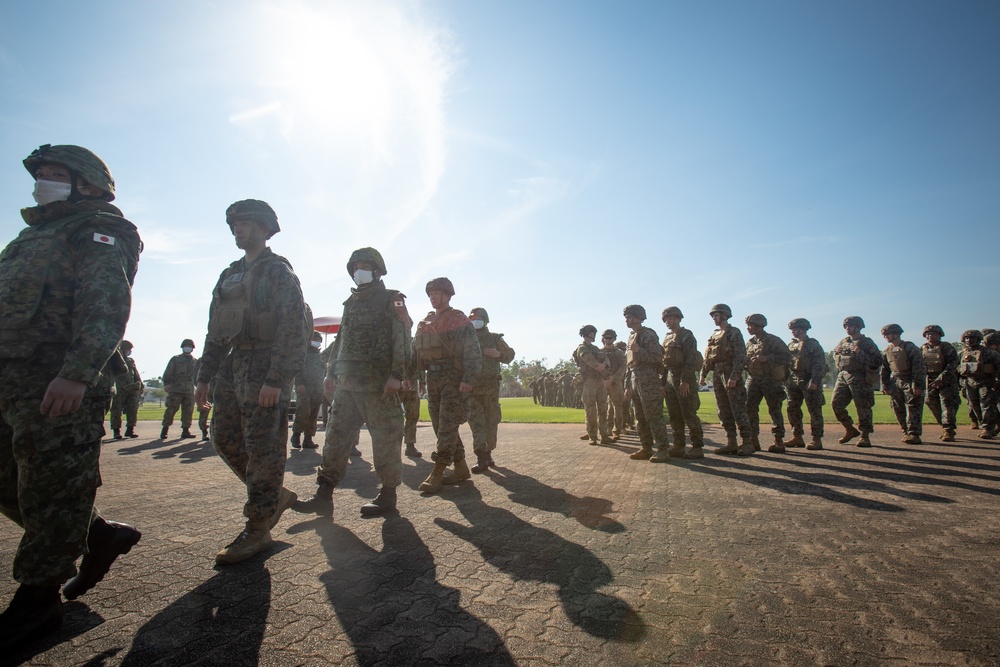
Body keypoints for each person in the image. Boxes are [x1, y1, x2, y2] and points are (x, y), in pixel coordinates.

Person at [0, 144, 142, 650]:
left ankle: (38, 602)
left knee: (53, 485)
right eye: (42, 175)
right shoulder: (29, 237)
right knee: (10, 482)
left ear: (86, 183)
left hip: (57, 379)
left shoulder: (97, 229)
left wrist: (78, 372)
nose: (44, 182)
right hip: (10, 377)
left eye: (56, 175)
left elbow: (106, 303)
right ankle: (97, 534)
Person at [194, 199, 308, 565]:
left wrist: (277, 377)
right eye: (234, 225)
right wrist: (205, 376)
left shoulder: (278, 271)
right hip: (233, 364)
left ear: (263, 228)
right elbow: (216, 328)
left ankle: (258, 527)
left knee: (263, 449)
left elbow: (294, 326)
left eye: (245, 224)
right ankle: (274, 496)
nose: (238, 230)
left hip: (265, 365)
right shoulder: (229, 274)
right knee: (224, 438)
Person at [297, 248, 411, 517]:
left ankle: (388, 495)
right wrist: (329, 373)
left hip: (378, 386)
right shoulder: (350, 302)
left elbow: (403, 337)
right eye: (355, 266)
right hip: (347, 386)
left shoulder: (392, 299)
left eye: (364, 265)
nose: (358, 270)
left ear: (378, 270)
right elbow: (341, 340)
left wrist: (397, 375)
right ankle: (323, 495)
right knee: (336, 439)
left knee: (385, 440)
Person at [412, 277, 482, 493]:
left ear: (448, 295)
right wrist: (417, 378)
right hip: (432, 379)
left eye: (437, 293)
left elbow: (473, 350)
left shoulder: (458, 318)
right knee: (439, 426)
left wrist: (468, 379)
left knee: (446, 426)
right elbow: (417, 352)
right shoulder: (427, 321)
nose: (433, 296)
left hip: (453, 377)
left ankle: (439, 470)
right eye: (430, 293)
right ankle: (460, 467)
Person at [700, 304, 752, 455]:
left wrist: (734, 376)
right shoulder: (714, 335)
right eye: (713, 316)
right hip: (717, 373)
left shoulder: (734, 333)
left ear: (724, 316)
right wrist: (703, 374)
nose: (714, 319)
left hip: (730, 372)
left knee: (738, 408)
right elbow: (708, 358)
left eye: (716, 315)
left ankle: (747, 442)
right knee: (722, 409)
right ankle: (732, 441)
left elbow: (740, 356)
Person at [467, 307, 515, 472]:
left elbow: (510, 354)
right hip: (472, 389)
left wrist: (499, 355)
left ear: (485, 320)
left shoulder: (495, 339)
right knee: (476, 422)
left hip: (490, 389)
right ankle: (480, 457)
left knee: (491, 421)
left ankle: (488, 452)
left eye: (478, 318)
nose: (475, 321)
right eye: (472, 318)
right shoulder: (466, 339)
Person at [622, 305, 671, 460]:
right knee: (640, 416)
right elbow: (628, 364)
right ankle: (646, 447)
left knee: (653, 415)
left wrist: (639, 351)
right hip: (634, 378)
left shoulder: (648, 335)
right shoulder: (631, 337)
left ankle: (663, 449)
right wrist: (627, 384)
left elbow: (657, 357)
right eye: (626, 317)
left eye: (629, 317)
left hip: (648, 379)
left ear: (638, 317)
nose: (627, 320)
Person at [660, 307, 705, 459]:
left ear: (678, 319)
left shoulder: (687, 335)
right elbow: (664, 363)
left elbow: (691, 359)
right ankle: (679, 445)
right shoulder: (666, 338)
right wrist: (662, 383)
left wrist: (685, 380)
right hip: (670, 379)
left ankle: (697, 446)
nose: (668, 321)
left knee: (689, 413)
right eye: (666, 319)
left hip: (684, 378)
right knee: (674, 415)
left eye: (671, 318)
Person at [744, 314, 792, 453]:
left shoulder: (773, 341)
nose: (748, 328)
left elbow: (787, 357)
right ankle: (753, 440)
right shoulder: (750, 342)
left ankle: (778, 440)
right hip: (753, 379)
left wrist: (767, 358)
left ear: (758, 325)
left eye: (750, 325)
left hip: (770, 379)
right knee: (750, 409)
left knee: (775, 409)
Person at [831, 316, 882, 448]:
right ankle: (849, 429)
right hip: (843, 375)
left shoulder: (867, 343)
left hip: (860, 377)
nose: (848, 328)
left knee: (863, 407)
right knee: (836, 404)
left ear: (858, 327)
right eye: (846, 326)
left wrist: (859, 352)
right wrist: (835, 353)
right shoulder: (844, 341)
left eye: (850, 326)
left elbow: (877, 361)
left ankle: (865, 436)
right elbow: (837, 355)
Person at [880, 324, 927, 444]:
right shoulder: (887, 350)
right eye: (884, 335)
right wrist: (885, 385)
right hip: (895, 380)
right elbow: (885, 369)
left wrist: (917, 384)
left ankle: (914, 433)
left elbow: (919, 366)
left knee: (913, 407)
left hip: (910, 379)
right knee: (897, 408)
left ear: (896, 334)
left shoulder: (909, 347)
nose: (886, 336)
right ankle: (905, 431)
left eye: (888, 334)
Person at [784, 318, 826, 450]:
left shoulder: (813, 345)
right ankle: (797, 436)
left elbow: (819, 364)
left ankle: (816, 439)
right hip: (793, 381)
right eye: (791, 330)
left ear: (803, 329)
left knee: (814, 410)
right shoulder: (791, 345)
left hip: (808, 380)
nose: (792, 332)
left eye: (795, 329)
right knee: (792, 409)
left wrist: (815, 381)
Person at [573, 325, 613, 447]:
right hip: (589, 381)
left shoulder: (595, 348)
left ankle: (604, 435)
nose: (594, 335)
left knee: (603, 409)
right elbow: (591, 361)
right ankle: (592, 436)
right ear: (588, 333)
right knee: (590, 410)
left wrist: (604, 367)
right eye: (592, 332)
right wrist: (602, 367)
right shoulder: (582, 348)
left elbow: (606, 359)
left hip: (599, 381)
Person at [957, 329, 1000, 439]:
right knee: (974, 406)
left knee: (987, 406)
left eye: (972, 338)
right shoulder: (962, 354)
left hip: (986, 383)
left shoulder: (989, 353)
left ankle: (988, 429)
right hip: (970, 383)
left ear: (979, 339)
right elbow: (956, 368)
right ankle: (989, 425)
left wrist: (997, 382)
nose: (969, 340)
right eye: (967, 338)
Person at [921, 325, 960, 442]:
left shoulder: (946, 347)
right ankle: (944, 425)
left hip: (946, 381)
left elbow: (953, 363)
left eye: (933, 334)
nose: (930, 336)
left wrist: (941, 378)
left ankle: (948, 430)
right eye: (927, 334)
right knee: (930, 402)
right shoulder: (922, 348)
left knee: (947, 405)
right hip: (930, 380)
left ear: (939, 335)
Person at [291, 331, 326, 450]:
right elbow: (298, 368)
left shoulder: (320, 355)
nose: (317, 341)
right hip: (305, 387)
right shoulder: (303, 353)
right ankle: (296, 435)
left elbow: (323, 371)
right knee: (303, 412)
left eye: (319, 339)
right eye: (315, 338)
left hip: (318, 387)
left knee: (313, 414)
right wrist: (299, 383)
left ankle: (308, 439)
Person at [160, 339, 198, 440]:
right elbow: (168, 372)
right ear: (182, 347)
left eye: (190, 346)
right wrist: (167, 384)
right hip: (176, 390)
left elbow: (198, 377)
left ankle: (186, 431)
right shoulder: (175, 359)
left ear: (193, 348)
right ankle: (164, 430)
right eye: (186, 345)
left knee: (188, 412)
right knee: (171, 410)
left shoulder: (195, 361)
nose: (188, 347)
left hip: (189, 391)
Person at [109, 340, 143, 440]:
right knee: (116, 410)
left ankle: (130, 429)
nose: (129, 351)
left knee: (133, 409)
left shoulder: (130, 361)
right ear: (121, 349)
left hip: (132, 388)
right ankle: (116, 431)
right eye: (128, 349)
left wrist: (140, 385)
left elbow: (135, 373)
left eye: (130, 349)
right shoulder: (114, 360)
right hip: (119, 389)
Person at [601, 330, 627, 440]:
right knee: (601, 407)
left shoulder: (620, 353)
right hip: (602, 382)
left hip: (616, 383)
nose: (608, 340)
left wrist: (613, 379)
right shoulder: (599, 352)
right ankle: (603, 429)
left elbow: (623, 368)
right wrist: (605, 380)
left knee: (618, 407)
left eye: (610, 338)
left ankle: (617, 430)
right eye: (606, 338)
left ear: (614, 338)